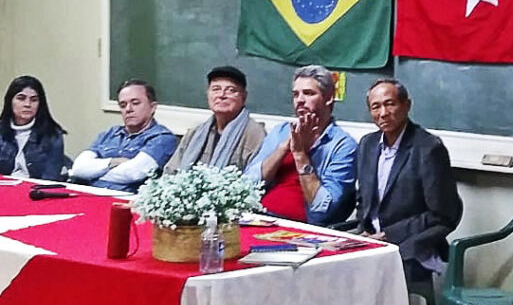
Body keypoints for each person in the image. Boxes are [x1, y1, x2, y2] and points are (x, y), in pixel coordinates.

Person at [355, 78, 462, 284]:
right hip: (370, 238)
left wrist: (388, 235)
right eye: (375, 107)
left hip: (409, 242)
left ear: (407, 105)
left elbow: (442, 214)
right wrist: (365, 231)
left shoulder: (428, 148)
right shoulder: (367, 145)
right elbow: (362, 200)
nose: (383, 113)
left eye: (390, 104)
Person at [243, 65, 357, 226]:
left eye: (308, 93)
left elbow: (323, 209)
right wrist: (284, 148)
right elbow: (247, 186)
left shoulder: (343, 145)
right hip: (258, 217)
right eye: (296, 94)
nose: (300, 100)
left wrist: (300, 154)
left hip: (301, 228)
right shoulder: (281, 131)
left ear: (329, 98)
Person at [70, 79, 178, 191]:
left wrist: (90, 174)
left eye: (135, 103)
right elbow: (78, 168)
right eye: (123, 105)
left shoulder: (162, 138)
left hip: (125, 198)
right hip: (88, 194)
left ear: (153, 107)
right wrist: (113, 162)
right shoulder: (109, 134)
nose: (128, 109)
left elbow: (132, 173)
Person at [164, 65, 266, 174]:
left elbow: (256, 177)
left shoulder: (255, 135)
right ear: (208, 94)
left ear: (244, 97)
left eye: (231, 90)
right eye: (216, 89)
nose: (222, 95)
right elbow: (170, 171)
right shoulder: (195, 133)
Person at [0, 75, 67, 180]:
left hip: (36, 188)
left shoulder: (52, 135)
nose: (27, 104)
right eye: (21, 98)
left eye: (34, 100)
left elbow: (50, 178)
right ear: (10, 101)